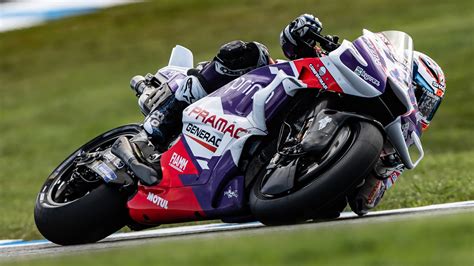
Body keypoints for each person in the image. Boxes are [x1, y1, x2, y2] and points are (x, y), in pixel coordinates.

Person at [111, 14, 446, 215]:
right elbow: (294, 50)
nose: (420, 105)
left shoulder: (393, 153)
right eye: (420, 92)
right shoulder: (352, 71)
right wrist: (304, 35)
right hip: (256, 104)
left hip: (292, 200)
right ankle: (159, 121)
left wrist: (380, 168)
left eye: (427, 103)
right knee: (248, 53)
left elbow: (364, 204)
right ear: (402, 70)